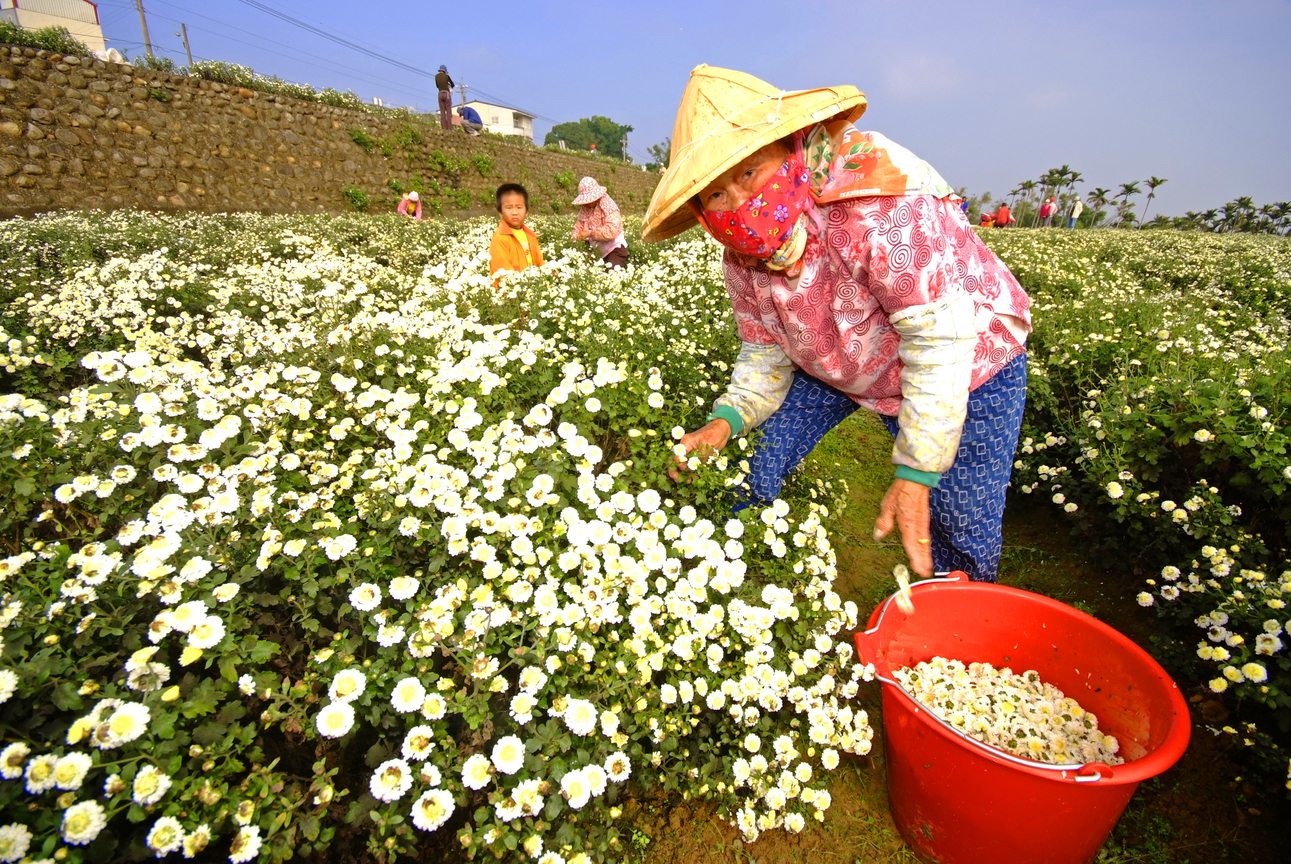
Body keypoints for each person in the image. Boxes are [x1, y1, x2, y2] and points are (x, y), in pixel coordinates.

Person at [642, 65, 1032, 582]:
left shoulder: (879, 201)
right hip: (842, 362)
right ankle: (712, 569)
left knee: (959, 525)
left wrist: (918, 466)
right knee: (749, 458)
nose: (739, 204)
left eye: (747, 172)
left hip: (970, 364)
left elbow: (939, 340)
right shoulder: (743, 260)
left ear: (791, 146)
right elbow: (764, 353)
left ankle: (962, 636)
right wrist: (725, 421)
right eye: (714, 195)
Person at [489, 183, 544, 282]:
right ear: (500, 212)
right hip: (511, 291)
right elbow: (502, 270)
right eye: (509, 208)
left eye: (519, 207)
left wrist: (549, 270)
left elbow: (539, 261)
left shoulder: (531, 236)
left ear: (526, 212)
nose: (514, 212)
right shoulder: (500, 238)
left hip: (531, 287)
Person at [570, 177, 628, 268]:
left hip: (614, 249)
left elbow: (611, 232)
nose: (587, 203)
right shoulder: (586, 208)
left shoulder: (609, 207)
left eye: (589, 200)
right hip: (596, 250)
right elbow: (579, 227)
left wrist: (589, 233)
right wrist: (575, 238)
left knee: (612, 274)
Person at [435, 65, 454, 132]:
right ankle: (449, 128)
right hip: (446, 93)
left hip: (440, 93)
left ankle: (444, 128)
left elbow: (437, 85)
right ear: (445, 71)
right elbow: (453, 84)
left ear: (440, 70)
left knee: (442, 111)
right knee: (448, 111)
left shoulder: (436, 76)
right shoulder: (447, 76)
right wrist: (449, 86)